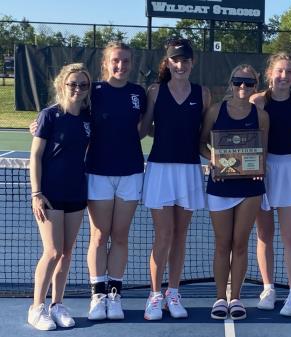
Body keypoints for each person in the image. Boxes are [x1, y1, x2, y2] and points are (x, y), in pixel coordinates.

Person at [140, 38, 211, 321]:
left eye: (185, 60)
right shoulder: (155, 91)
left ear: (192, 63)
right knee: (164, 235)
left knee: (181, 235)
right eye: (175, 60)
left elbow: (204, 136)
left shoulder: (203, 94)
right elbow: (143, 129)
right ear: (168, 62)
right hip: (160, 171)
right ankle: (155, 296)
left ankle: (173, 292)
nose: (180, 65)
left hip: (189, 171)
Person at [200, 64, 269, 320]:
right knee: (222, 244)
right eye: (238, 81)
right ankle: (220, 297)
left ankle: (236, 297)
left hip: (250, 187)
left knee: (240, 244)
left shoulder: (261, 116)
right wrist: (214, 156)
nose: (243, 87)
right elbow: (202, 145)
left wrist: (258, 167)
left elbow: (263, 150)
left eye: (249, 83)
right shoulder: (215, 111)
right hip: (220, 186)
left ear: (255, 86)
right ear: (231, 83)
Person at [85, 42, 147, 321]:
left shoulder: (138, 93)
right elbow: (66, 107)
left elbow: (145, 128)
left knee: (120, 236)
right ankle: (98, 294)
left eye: (124, 61)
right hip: (97, 172)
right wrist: (37, 122)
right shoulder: (93, 91)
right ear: (106, 63)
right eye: (115, 61)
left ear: (131, 64)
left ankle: (114, 294)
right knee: (99, 235)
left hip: (131, 173)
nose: (120, 65)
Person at [28, 63, 92, 330]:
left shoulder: (89, 117)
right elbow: (36, 156)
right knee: (52, 251)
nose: (77, 88)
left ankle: (57, 304)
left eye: (83, 85)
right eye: (72, 84)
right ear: (62, 85)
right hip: (50, 194)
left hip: (77, 192)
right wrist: (36, 193)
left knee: (66, 252)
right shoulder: (49, 116)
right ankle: (36, 308)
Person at [250, 53, 291, 316]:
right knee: (264, 235)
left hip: (290, 169)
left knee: (290, 237)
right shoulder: (257, 101)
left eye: (289, 72)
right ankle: (268, 288)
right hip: (262, 169)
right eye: (279, 71)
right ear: (269, 73)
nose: (284, 76)